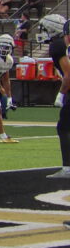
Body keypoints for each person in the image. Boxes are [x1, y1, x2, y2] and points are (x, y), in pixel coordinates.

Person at [41, 14, 70, 178]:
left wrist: (61, 94)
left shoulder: (58, 46)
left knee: (64, 128)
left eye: (45, 29)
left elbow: (68, 74)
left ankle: (67, 168)